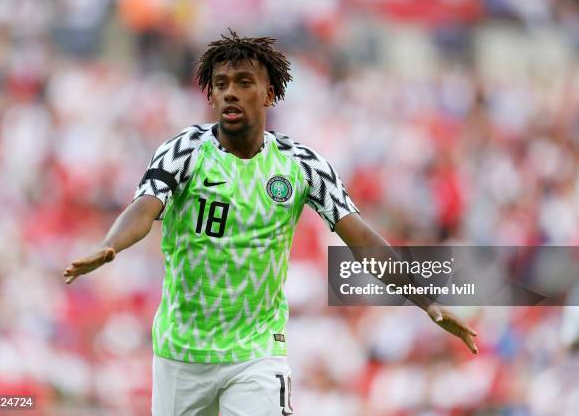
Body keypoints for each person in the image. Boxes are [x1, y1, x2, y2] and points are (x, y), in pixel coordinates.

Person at [64, 30, 478, 416]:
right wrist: (112, 245)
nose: (230, 92)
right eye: (222, 83)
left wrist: (426, 300)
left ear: (270, 93)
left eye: (244, 82)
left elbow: (364, 240)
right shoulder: (184, 151)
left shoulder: (301, 165)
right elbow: (144, 207)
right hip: (181, 352)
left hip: (256, 351)